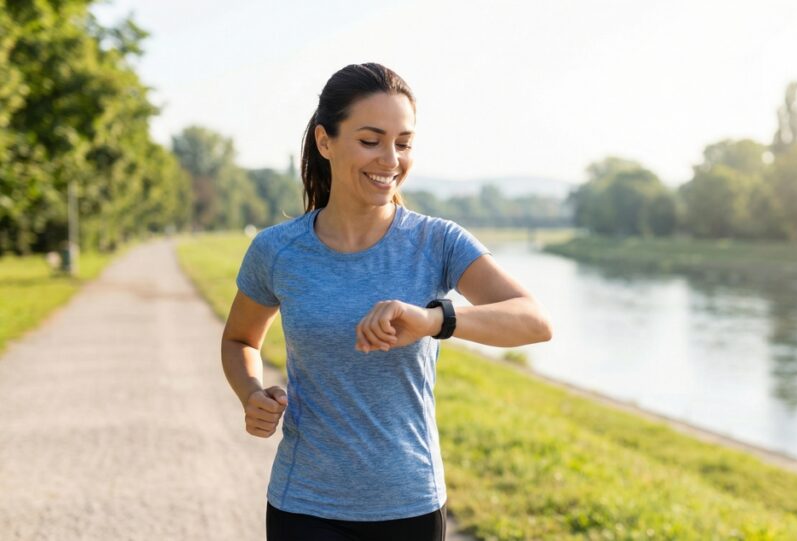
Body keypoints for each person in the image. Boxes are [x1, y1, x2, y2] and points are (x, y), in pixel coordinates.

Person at [220, 63, 553, 541]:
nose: (391, 159)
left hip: (410, 506)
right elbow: (238, 339)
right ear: (325, 141)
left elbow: (535, 321)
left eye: (404, 142)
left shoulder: (436, 242)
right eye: (371, 140)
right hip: (304, 505)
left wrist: (432, 319)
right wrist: (251, 393)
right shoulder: (277, 251)